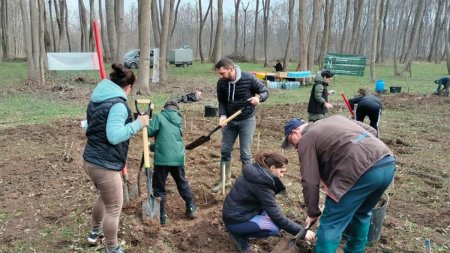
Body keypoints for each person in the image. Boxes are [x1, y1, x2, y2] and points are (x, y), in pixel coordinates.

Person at [281, 116, 396, 252]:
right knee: (361, 213)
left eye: (291, 141)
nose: (294, 147)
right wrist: (355, 148)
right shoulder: (336, 118)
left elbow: (309, 179)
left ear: (295, 132)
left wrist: (313, 212)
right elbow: (371, 130)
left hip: (358, 173)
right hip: (386, 162)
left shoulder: (306, 139)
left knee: (331, 223)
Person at [83, 63, 149, 253]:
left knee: (104, 198)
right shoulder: (118, 105)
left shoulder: (97, 99)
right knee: (113, 207)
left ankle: (94, 233)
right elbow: (114, 136)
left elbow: (90, 126)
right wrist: (138, 124)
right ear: (127, 88)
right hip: (104, 165)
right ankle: (112, 248)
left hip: (91, 160)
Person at [222, 152, 315, 252]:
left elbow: (271, 208)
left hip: (239, 212)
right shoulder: (262, 184)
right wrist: (302, 232)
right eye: (281, 172)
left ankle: (241, 229)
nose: (282, 175)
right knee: (273, 228)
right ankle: (238, 235)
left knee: (273, 215)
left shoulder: (257, 172)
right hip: (235, 220)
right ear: (272, 168)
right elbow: (276, 215)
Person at [213, 58, 269, 193]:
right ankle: (224, 181)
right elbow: (221, 102)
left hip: (246, 120)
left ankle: (246, 185)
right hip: (230, 121)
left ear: (231, 69)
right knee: (225, 151)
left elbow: (265, 91)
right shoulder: (221, 83)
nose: (221, 76)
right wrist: (222, 115)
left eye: (223, 73)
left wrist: (258, 98)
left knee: (245, 154)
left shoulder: (249, 78)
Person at [148, 100, 197, 225]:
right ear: (176, 109)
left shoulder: (159, 116)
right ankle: (191, 207)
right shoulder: (179, 119)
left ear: (165, 109)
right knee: (182, 182)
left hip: (162, 159)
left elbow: (148, 132)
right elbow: (170, 140)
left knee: (158, 186)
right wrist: (154, 147)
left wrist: (148, 123)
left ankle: (162, 216)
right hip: (178, 157)